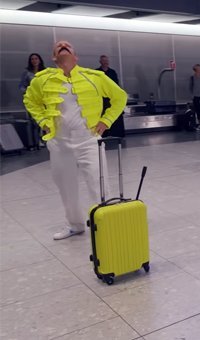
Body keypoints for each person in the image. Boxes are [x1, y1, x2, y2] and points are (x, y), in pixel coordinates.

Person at [23, 40, 126, 240]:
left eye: (67, 45)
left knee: (99, 184)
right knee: (66, 186)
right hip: (60, 143)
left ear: (75, 56)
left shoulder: (94, 77)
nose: (62, 44)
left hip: (89, 141)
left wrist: (106, 120)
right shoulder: (41, 80)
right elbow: (30, 101)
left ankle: (105, 223)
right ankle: (75, 224)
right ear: (54, 57)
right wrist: (43, 120)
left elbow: (119, 97)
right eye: (58, 46)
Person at [96, 55, 125, 137]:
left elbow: (117, 86)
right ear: (100, 62)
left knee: (116, 116)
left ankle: (117, 135)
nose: (106, 63)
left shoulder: (112, 72)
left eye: (107, 61)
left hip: (112, 98)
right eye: (104, 61)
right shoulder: (97, 73)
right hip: (102, 100)